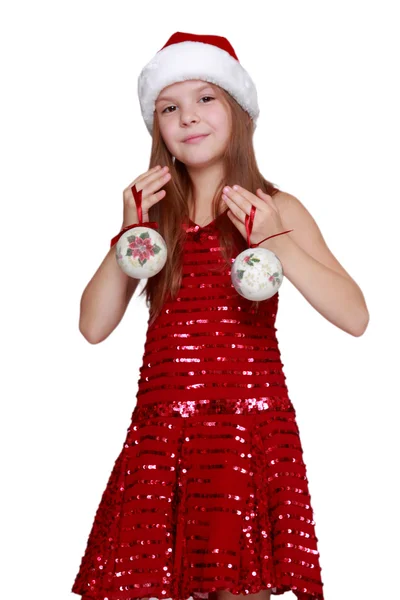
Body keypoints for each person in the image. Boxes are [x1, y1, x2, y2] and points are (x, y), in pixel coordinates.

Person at [71, 31, 369, 600]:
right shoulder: (153, 220)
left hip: (246, 432)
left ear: (238, 110)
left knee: (239, 589)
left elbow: (355, 316)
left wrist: (276, 241)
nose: (189, 117)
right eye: (169, 107)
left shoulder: (276, 207)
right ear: (156, 127)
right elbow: (92, 326)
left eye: (205, 98)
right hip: (165, 436)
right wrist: (128, 232)